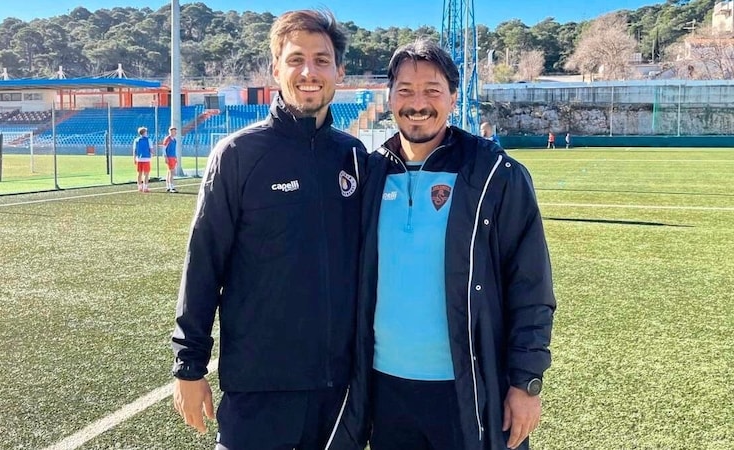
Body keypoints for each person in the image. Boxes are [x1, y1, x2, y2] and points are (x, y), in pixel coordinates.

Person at [336, 39, 556, 450]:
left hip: (466, 390)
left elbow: (531, 286)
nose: (418, 103)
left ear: (453, 97)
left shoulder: (495, 173)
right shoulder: (369, 174)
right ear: (389, 97)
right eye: (405, 91)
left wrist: (526, 383)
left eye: (432, 91)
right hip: (386, 392)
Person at [171, 9, 367, 450]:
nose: (309, 72)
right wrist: (189, 365)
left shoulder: (353, 156)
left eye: (321, 60)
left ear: (339, 70)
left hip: (339, 391)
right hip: (259, 388)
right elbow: (203, 264)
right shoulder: (239, 154)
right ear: (275, 68)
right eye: (296, 59)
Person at [133, 127, 153, 192]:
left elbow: (134, 150)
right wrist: (152, 154)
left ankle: (139, 187)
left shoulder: (136, 140)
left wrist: (134, 158)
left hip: (139, 158)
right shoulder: (148, 140)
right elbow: (151, 149)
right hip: (146, 158)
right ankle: (145, 187)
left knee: (139, 173)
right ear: (144, 132)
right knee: (146, 174)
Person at [163, 126, 178, 193]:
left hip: (173, 157)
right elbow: (164, 148)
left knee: (170, 172)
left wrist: (175, 157)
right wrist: (165, 157)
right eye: (174, 131)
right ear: (170, 131)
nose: (175, 132)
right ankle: (171, 187)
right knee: (172, 172)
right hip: (169, 157)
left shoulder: (174, 140)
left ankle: (168, 186)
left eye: (175, 131)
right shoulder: (168, 139)